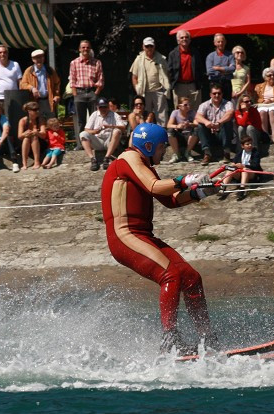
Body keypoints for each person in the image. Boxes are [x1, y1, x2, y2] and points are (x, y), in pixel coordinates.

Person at [100, 122, 220, 354]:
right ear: (148, 146)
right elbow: (155, 187)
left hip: (142, 236)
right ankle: (170, 339)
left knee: (191, 277)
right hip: (124, 236)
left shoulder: (143, 164)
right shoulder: (127, 160)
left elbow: (171, 200)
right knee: (171, 275)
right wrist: (186, 179)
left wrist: (203, 191)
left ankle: (208, 338)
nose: (164, 152)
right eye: (162, 147)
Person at [129, 37, 171, 125]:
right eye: (147, 46)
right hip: (144, 92)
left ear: (154, 46)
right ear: (143, 47)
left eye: (151, 46)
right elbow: (134, 76)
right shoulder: (138, 59)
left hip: (159, 91)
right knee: (145, 114)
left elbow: (167, 74)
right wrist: (138, 90)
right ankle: (145, 133)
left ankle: (162, 134)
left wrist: (166, 87)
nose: (149, 48)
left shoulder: (161, 58)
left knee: (162, 115)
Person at [69, 40, 104, 137]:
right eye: (83, 47)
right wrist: (75, 94)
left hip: (92, 92)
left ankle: (93, 141)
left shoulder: (97, 62)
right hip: (79, 92)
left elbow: (100, 79)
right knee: (81, 120)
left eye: (87, 47)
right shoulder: (74, 63)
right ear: (79, 49)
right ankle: (81, 143)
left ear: (90, 49)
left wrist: (96, 93)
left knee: (95, 118)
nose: (86, 49)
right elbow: (72, 79)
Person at [80, 97, 125, 171]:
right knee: (83, 134)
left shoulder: (114, 115)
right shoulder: (94, 114)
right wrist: (94, 131)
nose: (103, 109)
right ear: (97, 107)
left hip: (110, 141)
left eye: (105, 107)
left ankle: (107, 157)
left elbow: (123, 127)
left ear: (108, 106)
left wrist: (110, 126)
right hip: (98, 140)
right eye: (101, 107)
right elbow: (86, 129)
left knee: (117, 131)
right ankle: (93, 159)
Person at [194, 83, 234, 165]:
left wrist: (219, 122)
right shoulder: (204, 105)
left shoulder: (228, 104)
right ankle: (207, 153)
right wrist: (206, 122)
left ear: (222, 94)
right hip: (210, 134)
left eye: (219, 93)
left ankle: (226, 153)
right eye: (214, 93)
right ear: (210, 95)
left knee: (227, 122)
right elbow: (197, 116)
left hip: (223, 134)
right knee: (200, 125)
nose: (217, 95)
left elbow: (229, 114)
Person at [217, 133, 262, 201]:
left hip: (252, 174)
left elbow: (255, 165)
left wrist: (244, 166)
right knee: (230, 169)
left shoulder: (255, 153)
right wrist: (233, 165)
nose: (250, 145)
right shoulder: (240, 153)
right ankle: (223, 187)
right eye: (247, 144)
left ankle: (242, 189)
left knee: (245, 169)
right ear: (242, 146)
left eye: (251, 144)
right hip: (240, 174)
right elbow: (234, 163)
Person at [167, 30, 204, 109]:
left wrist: (199, 82)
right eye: (182, 37)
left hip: (193, 86)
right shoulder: (173, 54)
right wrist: (173, 83)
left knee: (195, 111)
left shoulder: (195, 52)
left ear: (190, 40)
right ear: (178, 40)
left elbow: (200, 68)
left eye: (187, 37)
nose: (184, 39)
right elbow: (170, 71)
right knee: (180, 111)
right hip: (179, 86)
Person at [20, 48, 61, 118]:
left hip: (48, 100)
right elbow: (22, 84)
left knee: (51, 120)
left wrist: (56, 95)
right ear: (33, 60)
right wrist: (32, 88)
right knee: (37, 121)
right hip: (35, 101)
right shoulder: (29, 71)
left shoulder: (49, 70)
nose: (39, 59)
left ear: (43, 58)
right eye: (36, 58)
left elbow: (57, 83)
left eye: (40, 57)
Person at [17, 101, 47, 170]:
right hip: (26, 144)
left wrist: (37, 132)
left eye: (38, 109)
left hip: (39, 143)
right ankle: (24, 163)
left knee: (34, 136)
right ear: (29, 111)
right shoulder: (23, 121)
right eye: (35, 110)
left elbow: (43, 135)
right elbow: (19, 136)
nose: (37, 111)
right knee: (26, 138)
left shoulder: (40, 120)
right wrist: (25, 133)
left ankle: (37, 162)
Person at [166, 97, 197, 163]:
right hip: (180, 135)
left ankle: (187, 153)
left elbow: (196, 123)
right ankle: (177, 154)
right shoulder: (175, 112)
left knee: (197, 130)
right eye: (185, 105)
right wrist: (177, 126)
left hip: (189, 136)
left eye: (189, 104)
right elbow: (169, 125)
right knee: (170, 131)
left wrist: (190, 124)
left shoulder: (192, 112)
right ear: (179, 106)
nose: (188, 106)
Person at [253, 68, 274, 141]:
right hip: (263, 105)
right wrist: (264, 100)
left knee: (272, 112)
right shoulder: (258, 86)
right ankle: (265, 135)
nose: (272, 77)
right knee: (262, 112)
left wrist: (271, 100)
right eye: (269, 75)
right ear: (264, 77)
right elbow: (255, 98)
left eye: (273, 75)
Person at [205, 33, 234, 99]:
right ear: (214, 43)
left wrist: (218, 68)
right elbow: (209, 71)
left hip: (226, 83)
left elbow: (233, 68)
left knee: (227, 103)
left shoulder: (230, 55)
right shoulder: (210, 56)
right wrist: (226, 69)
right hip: (214, 83)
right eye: (218, 42)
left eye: (222, 41)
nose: (221, 43)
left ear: (225, 42)